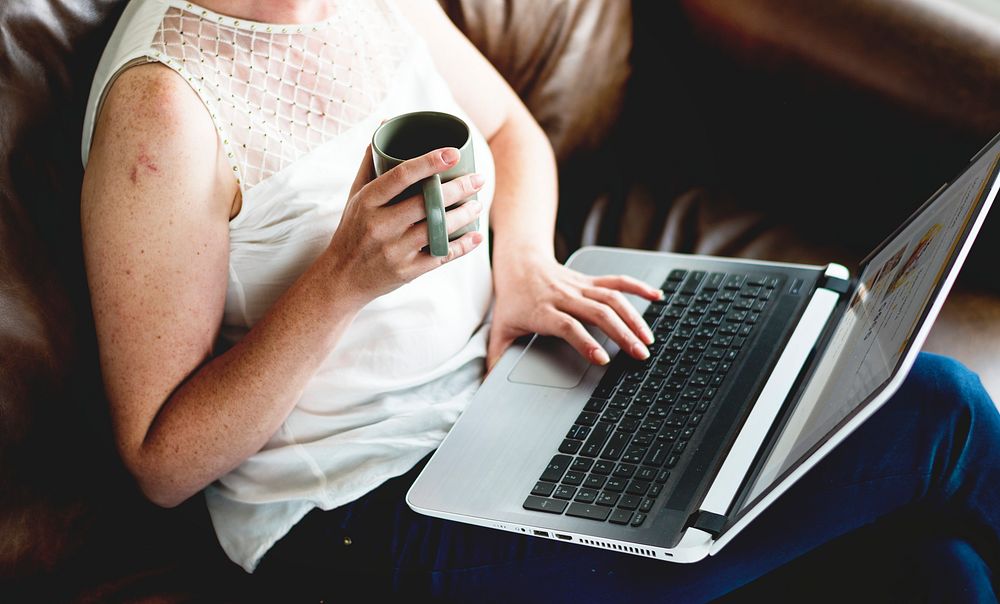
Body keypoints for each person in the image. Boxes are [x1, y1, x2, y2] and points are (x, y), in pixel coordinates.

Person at [80, 0, 999, 601]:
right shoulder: (164, 107)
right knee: (939, 411)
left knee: (933, 565)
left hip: (518, 405)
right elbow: (162, 462)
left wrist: (521, 262)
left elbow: (512, 132)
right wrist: (340, 282)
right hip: (365, 519)